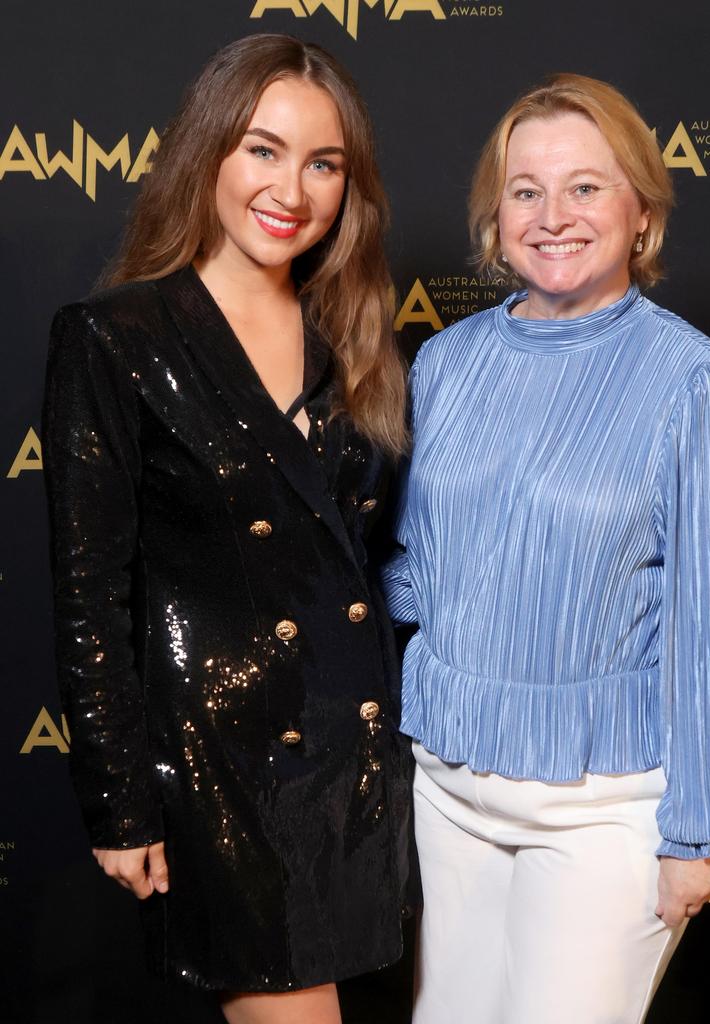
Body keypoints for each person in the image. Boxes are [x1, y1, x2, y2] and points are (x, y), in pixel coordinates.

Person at [382, 73, 710, 1024]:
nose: (553, 215)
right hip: (449, 785)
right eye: (526, 191)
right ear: (496, 216)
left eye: (587, 187)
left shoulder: (701, 387)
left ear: (643, 210)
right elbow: (421, 571)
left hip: (605, 812)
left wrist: (708, 831)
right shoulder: (447, 361)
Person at [43, 34, 410, 1024]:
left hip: (371, 759)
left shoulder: (359, 340)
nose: (292, 187)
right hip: (225, 769)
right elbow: (90, 596)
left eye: (323, 162)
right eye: (262, 149)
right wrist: (120, 802)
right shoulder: (116, 338)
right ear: (206, 153)